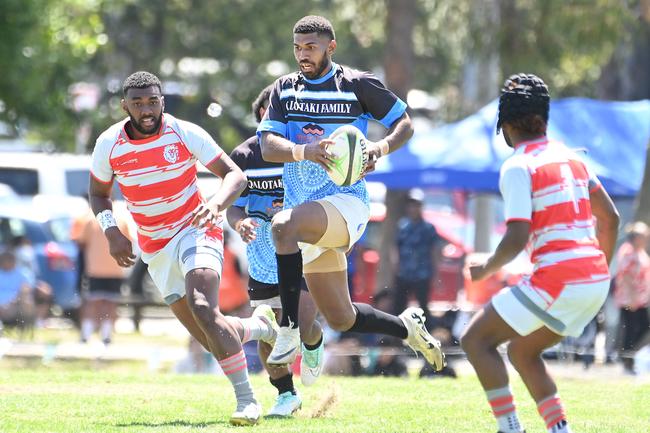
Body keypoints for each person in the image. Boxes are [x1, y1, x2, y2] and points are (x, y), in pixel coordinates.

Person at [89, 71, 278, 425]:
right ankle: (258, 327)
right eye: (138, 102)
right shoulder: (109, 143)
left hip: (197, 228)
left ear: (162, 100)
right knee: (210, 336)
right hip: (154, 246)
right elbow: (98, 194)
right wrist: (112, 231)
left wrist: (217, 205)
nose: (146, 109)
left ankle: (247, 402)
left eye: (153, 101)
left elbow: (235, 175)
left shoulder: (183, 131)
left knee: (204, 306)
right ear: (124, 105)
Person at [257, 15, 445, 373]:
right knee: (341, 317)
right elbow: (267, 145)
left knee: (281, 226)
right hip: (307, 212)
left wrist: (379, 149)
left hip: (346, 203)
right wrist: (304, 151)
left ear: (331, 46)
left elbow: (404, 124)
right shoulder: (284, 88)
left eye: (310, 47)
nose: (303, 55)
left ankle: (289, 328)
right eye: (297, 48)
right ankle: (407, 328)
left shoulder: (357, 84)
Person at [460, 73, 620, 433]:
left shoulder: (518, 166)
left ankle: (510, 428)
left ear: (505, 126)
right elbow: (610, 218)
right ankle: (559, 429)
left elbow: (518, 236)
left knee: (476, 340)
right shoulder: (573, 158)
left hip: (560, 280)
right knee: (522, 351)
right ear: (544, 119)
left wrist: (485, 268)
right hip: (595, 279)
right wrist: (596, 272)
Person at [227, 84, 324, 418]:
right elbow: (233, 207)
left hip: (305, 251)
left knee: (301, 323)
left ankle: (314, 341)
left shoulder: (305, 151)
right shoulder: (242, 157)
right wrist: (240, 223)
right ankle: (286, 394)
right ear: (262, 118)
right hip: (263, 258)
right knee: (270, 332)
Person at [71, 202, 132, 345]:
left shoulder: (91, 220)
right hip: (116, 268)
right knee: (110, 303)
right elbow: (128, 242)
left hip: (95, 268)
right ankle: (106, 335)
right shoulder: (121, 221)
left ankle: (86, 334)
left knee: (93, 303)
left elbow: (81, 242)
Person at [391, 188, 442, 329]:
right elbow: (396, 247)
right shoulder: (402, 226)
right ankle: (398, 334)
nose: (413, 208)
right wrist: (395, 266)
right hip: (404, 273)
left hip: (422, 273)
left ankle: (427, 334)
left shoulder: (428, 228)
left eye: (416, 205)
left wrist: (436, 274)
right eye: (411, 205)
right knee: (399, 306)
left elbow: (434, 251)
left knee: (423, 306)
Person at [614, 221, 650, 374]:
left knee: (642, 329)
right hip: (630, 300)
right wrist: (633, 297)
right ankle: (626, 360)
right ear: (636, 237)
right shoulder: (628, 251)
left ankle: (631, 358)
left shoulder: (641, 252)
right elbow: (626, 276)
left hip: (641, 300)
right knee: (630, 330)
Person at [0, 249, 36, 331]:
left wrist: (15, 300)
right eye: (4, 259)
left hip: (16, 303)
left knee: (27, 302)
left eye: (10, 259)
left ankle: (28, 329)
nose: (7, 261)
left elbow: (27, 288)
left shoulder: (23, 273)